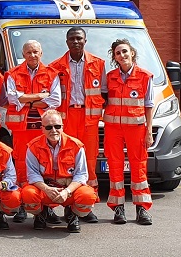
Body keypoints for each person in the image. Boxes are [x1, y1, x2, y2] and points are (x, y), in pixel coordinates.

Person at [51, 27, 107, 223]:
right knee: (66, 162)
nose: (76, 42)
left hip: (89, 119)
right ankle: (68, 206)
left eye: (79, 38)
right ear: (66, 42)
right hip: (66, 119)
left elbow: (105, 93)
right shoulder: (55, 66)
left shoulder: (99, 64)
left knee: (89, 161)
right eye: (72, 39)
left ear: (85, 41)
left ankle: (86, 206)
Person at [5, 40, 61, 223]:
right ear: (23, 54)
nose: (32, 55)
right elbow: (12, 98)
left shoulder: (51, 73)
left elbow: (55, 100)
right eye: (28, 52)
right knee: (21, 165)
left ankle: (47, 207)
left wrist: (25, 100)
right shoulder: (13, 74)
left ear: (41, 53)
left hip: (43, 129)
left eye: (35, 51)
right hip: (22, 129)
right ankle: (22, 204)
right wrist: (40, 97)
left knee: (46, 166)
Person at [21, 109, 97, 233]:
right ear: (42, 128)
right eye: (49, 127)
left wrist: (67, 191)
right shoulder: (33, 147)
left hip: (69, 190)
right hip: (46, 190)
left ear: (62, 126)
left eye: (57, 126)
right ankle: (41, 213)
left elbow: (81, 175)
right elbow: (32, 174)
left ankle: (73, 214)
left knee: (87, 196)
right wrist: (47, 189)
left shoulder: (76, 146)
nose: (53, 130)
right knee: (27, 194)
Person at [104, 38, 153, 225]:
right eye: (118, 53)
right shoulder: (109, 77)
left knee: (139, 167)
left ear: (132, 53)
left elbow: (149, 106)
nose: (122, 55)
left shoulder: (145, 76)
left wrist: (149, 131)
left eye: (124, 51)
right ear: (115, 57)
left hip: (136, 129)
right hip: (113, 129)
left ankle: (142, 209)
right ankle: (118, 209)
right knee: (115, 167)